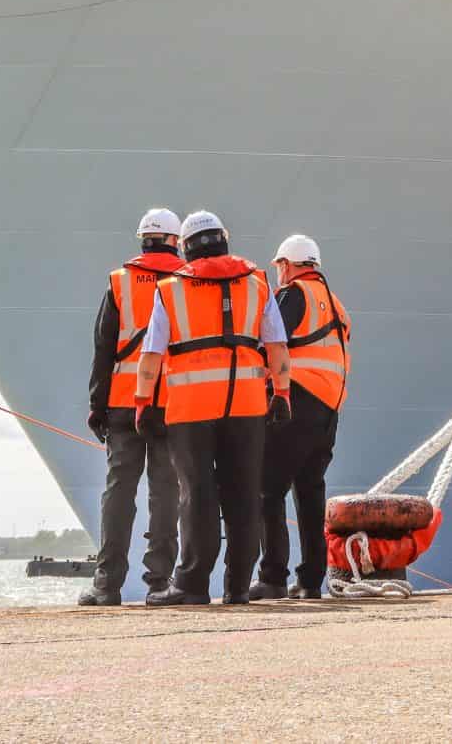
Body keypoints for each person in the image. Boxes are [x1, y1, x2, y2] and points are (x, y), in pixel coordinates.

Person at [136, 211, 291, 607]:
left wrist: (143, 403)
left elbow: (152, 353)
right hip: (247, 404)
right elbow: (276, 346)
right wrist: (282, 394)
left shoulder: (170, 289)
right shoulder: (257, 284)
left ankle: (191, 585)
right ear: (224, 239)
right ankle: (238, 586)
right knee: (243, 494)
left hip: (190, 409)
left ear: (186, 247)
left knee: (198, 496)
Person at [78, 208, 187, 607]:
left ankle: (107, 585)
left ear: (142, 239)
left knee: (119, 491)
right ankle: (159, 584)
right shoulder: (188, 282)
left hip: (124, 403)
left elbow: (103, 348)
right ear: (176, 240)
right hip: (173, 403)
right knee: (166, 492)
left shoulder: (120, 283)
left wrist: (97, 404)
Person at [250, 234, 351, 601]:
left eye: (279, 266)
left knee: (267, 488)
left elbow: (275, 342)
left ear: (287, 265)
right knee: (309, 493)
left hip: (297, 402)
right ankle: (310, 581)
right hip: (329, 411)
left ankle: (272, 576)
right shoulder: (336, 305)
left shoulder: (294, 295)